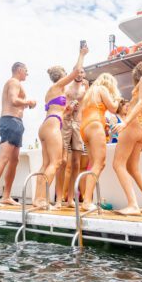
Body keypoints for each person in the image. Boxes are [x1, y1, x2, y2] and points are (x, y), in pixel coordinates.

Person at [33, 44, 89, 208]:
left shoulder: (51, 92)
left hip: (46, 124)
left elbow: (58, 111)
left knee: (45, 164)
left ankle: (38, 199)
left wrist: (68, 110)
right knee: (56, 163)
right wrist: (82, 54)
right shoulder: (57, 86)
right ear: (62, 76)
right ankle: (42, 199)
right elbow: (76, 72)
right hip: (52, 127)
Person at [0, 62, 36, 207]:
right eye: (26, 70)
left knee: (14, 160)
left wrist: (25, 104)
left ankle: (6, 196)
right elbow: (13, 100)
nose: (27, 73)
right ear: (19, 70)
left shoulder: (17, 83)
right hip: (10, 121)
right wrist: (28, 101)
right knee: (4, 158)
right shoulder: (13, 82)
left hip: (16, 123)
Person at [111, 62, 142, 215]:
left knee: (118, 164)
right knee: (133, 168)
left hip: (132, 126)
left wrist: (125, 122)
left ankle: (132, 204)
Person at [80, 72, 122, 210]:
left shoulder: (89, 94)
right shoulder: (102, 89)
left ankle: (87, 199)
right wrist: (117, 98)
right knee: (100, 163)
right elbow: (114, 108)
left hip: (85, 127)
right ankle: (87, 201)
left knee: (92, 164)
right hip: (95, 124)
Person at [54, 72, 89, 208]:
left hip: (79, 124)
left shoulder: (85, 88)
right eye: (78, 71)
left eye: (82, 72)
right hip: (66, 122)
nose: (80, 74)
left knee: (76, 163)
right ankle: (58, 199)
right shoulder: (67, 86)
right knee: (62, 162)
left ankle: (70, 199)